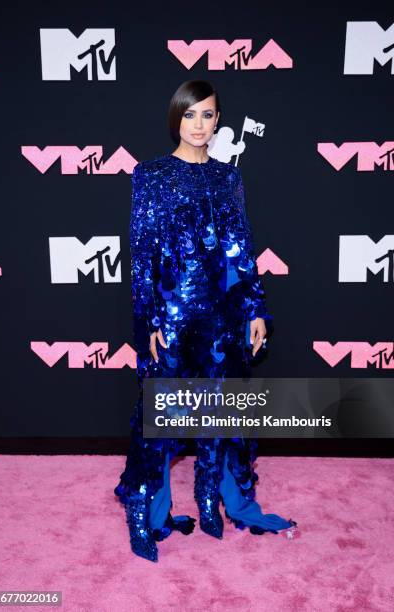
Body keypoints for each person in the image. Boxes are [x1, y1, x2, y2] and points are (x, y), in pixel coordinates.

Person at [114, 80, 297, 562]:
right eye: (191, 115)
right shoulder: (150, 174)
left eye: (209, 115)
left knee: (220, 409)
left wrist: (255, 310)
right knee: (161, 418)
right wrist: (147, 320)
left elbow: (240, 250)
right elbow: (141, 255)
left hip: (220, 317)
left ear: (219, 121)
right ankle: (145, 515)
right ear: (176, 118)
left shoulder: (227, 177)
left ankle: (212, 501)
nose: (200, 125)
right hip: (171, 317)